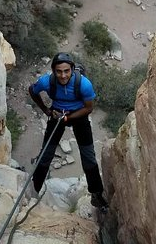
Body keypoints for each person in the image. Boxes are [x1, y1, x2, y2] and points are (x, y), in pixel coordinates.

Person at [28, 52, 108, 209]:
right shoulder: (47, 81)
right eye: (59, 71)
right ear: (53, 70)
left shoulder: (83, 84)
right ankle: (33, 191)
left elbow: (88, 108)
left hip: (78, 115)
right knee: (45, 155)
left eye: (66, 71)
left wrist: (68, 118)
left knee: (88, 157)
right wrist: (47, 110)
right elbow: (32, 90)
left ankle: (96, 195)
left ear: (72, 70)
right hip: (57, 113)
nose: (63, 75)